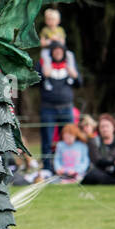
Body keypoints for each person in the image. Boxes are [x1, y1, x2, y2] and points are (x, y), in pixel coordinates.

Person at [37, 41, 79, 169]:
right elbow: (33, 82)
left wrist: (74, 75)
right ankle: (47, 169)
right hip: (48, 108)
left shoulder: (70, 64)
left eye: (60, 51)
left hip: (66, 107)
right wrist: (43, 74)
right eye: (55, 51)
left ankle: (67, 167)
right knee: (47, 140)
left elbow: (79, 83)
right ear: (51, 53)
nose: (58, 53)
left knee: (68, 138)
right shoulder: (42, 63)